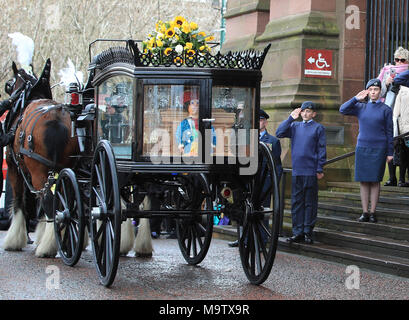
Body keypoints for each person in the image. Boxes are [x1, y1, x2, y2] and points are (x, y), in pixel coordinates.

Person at [339, 79, 393, 223]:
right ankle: (364, 212)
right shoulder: (360, 107)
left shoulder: (386, 109)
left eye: (376, 89)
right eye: (371, 89)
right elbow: (342, 109)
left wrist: (390, 152)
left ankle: (373, 212)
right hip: (362, 147)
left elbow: (389, 132)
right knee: (363, 181)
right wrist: (355, 98)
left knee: (375, 181)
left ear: (380, 91)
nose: (374, 92)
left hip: (379, 148)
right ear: (367, 92)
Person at [228, 109, 283, 247]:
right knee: (244, 210)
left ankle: (261, 240)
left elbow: (277, 165)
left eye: (261, 120)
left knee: (261, 211)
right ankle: (243, 239)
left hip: (264, 182)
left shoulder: (273, 141)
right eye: (256, 120)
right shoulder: (247, 139)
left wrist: (273, 183)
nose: (259, 123)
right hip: (248, 180)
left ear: (265, 122)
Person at [276, 101, 326, 244]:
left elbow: (321, 149)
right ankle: (297, 231)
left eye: (309, 111)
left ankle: (307, 231)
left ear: (314, 114)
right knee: (297, 202)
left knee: (309, 202)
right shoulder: (294, 126)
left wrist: (319, 168)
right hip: (297, 170)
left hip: (310, 170)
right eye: (303, 111)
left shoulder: (318, 128)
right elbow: (279, 133)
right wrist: (291, 118)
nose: (305, 113)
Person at [378, 47, 409, 186]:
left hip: (405, 113)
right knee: (390, 144)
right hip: (390, 111)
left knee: (402, 145)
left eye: (403, 60)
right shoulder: (386, 72)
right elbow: (379, 92)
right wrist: (387, 81)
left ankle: (402, 178)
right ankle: (392, 178)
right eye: (397, 59)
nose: (399, 62)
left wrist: (397, 79)